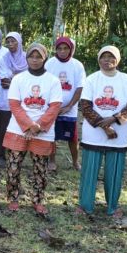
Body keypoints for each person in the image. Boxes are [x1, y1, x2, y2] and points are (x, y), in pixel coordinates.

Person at [77, 46, 127, 218]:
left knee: (115, 171)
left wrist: (113, 119)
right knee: (89, 171)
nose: (107, 60)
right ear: (98, 59)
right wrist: (105, 126)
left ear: (117, 60)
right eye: (103, 57)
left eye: (111, 57)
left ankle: (112, 206)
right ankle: (85, 205)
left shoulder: (126, 80)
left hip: (118, 134)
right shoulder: (92, 79)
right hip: (94, 133)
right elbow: (86, 106)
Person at [2, 43, 62, 215]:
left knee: (40, 168)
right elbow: (14, 104)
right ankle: (13, 198)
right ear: (26, 58)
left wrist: (38, 127)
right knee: (13, 167)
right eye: (31, 56)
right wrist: (29, 126)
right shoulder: (19, 79)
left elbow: (54, 106)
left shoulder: (53, 81)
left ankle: (38, 199)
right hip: (18, 129)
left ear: (45, 58)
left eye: (38, 57)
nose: (34, 60)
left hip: (43, 131)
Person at [45, 37, 86, 171]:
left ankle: (75, 161)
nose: (62, 51)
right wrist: (52, 106)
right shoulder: (50, 63)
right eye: (59, 48)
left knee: (72, 137)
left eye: (66, 48)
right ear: (56, 49)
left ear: (71, 49)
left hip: (70, 109)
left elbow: (80, 87)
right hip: (52, 108)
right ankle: (52, 161)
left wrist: (69, 106)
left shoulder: (77, 65)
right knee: (52, 135)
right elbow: (45, 85)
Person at [0, 32, 28, 167]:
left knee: (21, 126)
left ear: (19, 42)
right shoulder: (4, 58)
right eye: (8, 42)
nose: (10, 44)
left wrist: (14, 78)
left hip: (23, 97)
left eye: (13, 41)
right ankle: (1, 155)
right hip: (6, 97)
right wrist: (18, 78)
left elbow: (28, 77)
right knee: (3, 126)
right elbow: (4, 78)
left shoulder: (27, 57)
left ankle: (17, 153)